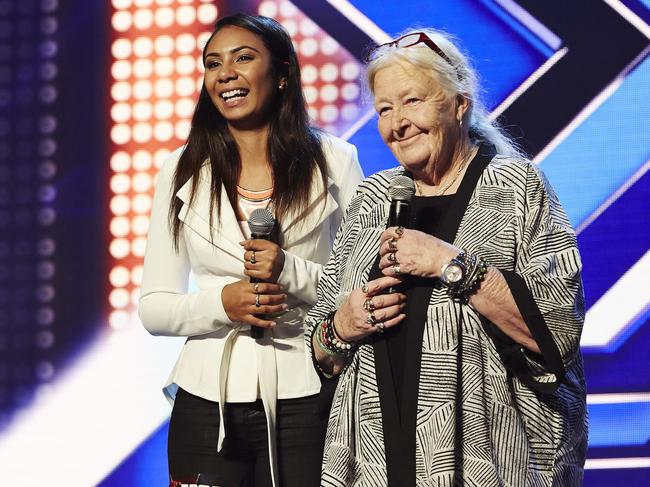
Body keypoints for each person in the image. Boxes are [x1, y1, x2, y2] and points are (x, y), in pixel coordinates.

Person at [307, 29, 587, 486]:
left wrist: (449, 265)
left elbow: (556, 333)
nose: (397, 123)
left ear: (459, 103)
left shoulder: (516, 187)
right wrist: (341, 326)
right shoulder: (372, 199)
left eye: (412, 101)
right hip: (375, 465)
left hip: (491, 464)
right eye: (383, 109)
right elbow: (320, 351)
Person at [139, 13, 363, 487]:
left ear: (282, 73)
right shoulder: (180, 169)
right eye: (213, 63)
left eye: (244, 58)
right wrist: (223, 303)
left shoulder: (336, 161)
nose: (225, 74)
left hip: (307, 391)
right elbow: (155, 308)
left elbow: (358, 291)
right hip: (207, 402)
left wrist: (290, 271)